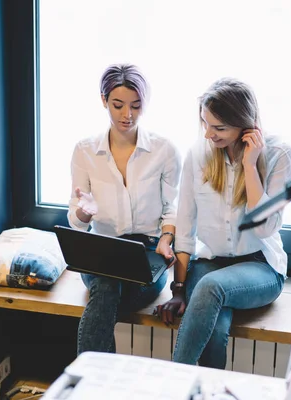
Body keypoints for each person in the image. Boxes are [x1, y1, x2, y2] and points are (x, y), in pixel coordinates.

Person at [155, 78, 291, 369]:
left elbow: (265, 228)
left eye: (219, 128)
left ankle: (171, 384)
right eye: (205, 124)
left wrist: (250, 165)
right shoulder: (199, 154)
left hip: (261, 266)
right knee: (214, 331)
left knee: (210, 287)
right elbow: (186, 225)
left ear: (245, 125)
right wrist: (178, 290)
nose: (208, 134)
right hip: (210, 262)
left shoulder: (278, 154)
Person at [68, 64, 182, 355]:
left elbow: (173, 208)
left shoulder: (164, 150)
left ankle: (88, 383)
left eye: (136, 106)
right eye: (118, 105)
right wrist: (84, 213)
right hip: (102, 254)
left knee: (106, 295)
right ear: (104, 100)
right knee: (106, 285)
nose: (127, 115)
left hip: (146, 256)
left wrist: (167, 239)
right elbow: (76, 221)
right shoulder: (85, 151)